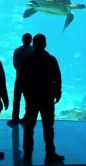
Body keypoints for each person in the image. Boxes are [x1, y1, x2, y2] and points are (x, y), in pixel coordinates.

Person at [17, 33, 65, 164]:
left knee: (29, 127)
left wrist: (26, 94)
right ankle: (50, 152)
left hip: (32, 98)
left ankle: (27, 154)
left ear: (34, 43)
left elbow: (21, 78)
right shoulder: (50, 59)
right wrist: (58, 91)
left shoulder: (27, 59)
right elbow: (57, 77)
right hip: (47, 98)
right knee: (48, 127)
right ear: (44, 44)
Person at [8, 33, 33, 126]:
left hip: (20, 77)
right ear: (31, 40)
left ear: (22, 40)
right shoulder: (33, 51)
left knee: (16, 98)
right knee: (29, 99)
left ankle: (15, 118)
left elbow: (15, 64)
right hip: (30, 79)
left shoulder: (17, 51)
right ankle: (27, 117)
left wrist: (19, 70)